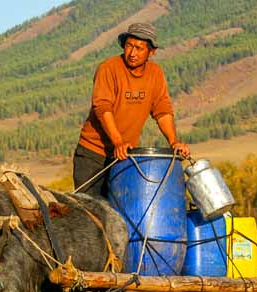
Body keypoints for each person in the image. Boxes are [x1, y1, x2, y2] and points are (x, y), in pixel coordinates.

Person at [73, 22, 190, 198]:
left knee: (122, 214)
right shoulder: (109, 68)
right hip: (92, 155)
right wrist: (118, 141)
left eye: (139, 48)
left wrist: (174, 142)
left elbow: (162, 110)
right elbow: (102, 107)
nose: (132, 53)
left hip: (125, 158)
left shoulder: (155, 73)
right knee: (90, 213)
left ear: (151, 52)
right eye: (129, 46)